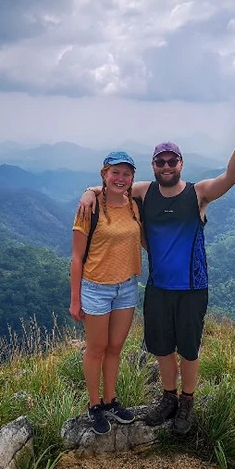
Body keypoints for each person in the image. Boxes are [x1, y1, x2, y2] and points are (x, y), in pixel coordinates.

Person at [78, 115, 235, 434]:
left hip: (192, 287)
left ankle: (186, 401)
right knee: (161, 347)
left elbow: (231, 177)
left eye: (172, 160)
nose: (167, 165)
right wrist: (89, 191)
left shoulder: (197, 194)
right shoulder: (146, 193)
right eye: (160, 161)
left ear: (181, 163)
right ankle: (168, 398)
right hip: (158, 287)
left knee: (188, 348)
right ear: (154, 165)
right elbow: (113, 184)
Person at [70, 151, 143, 434]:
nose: (121, 178)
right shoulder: (89, 209)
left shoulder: (134, 204)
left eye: (126, 174)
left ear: (132, 178)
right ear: (104, 174)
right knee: (96, 349)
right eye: (115, 172)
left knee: (115, 348)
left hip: (127, 287)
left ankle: (111, 400)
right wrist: (75, 299)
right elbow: (76, 258)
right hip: (96, 288)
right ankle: (94, 405)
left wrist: (91, 189)